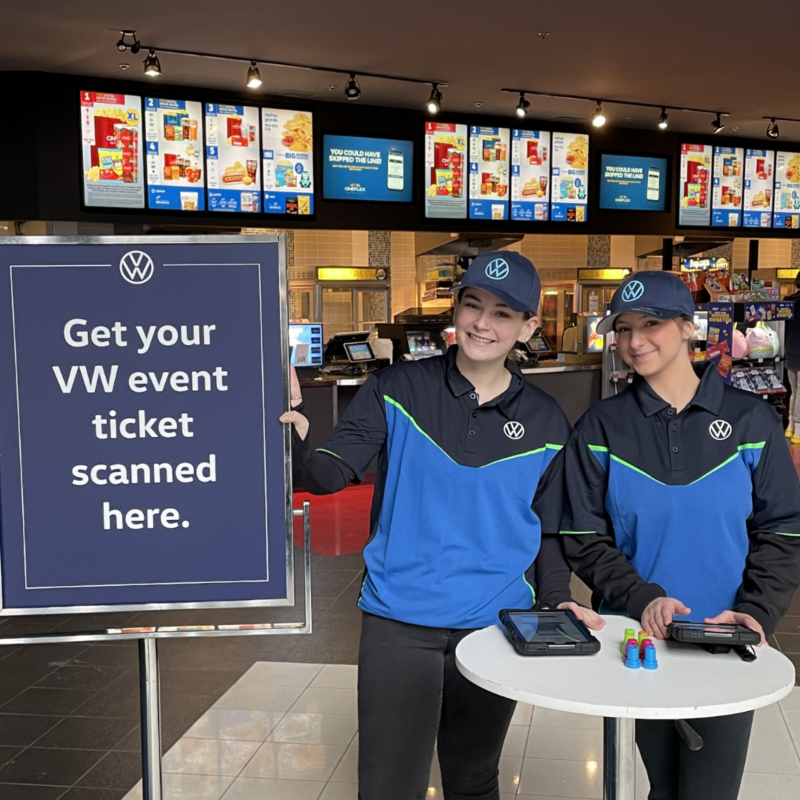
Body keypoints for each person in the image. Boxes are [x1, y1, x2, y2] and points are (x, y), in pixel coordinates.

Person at [281, 251, 603, 800]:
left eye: (503, 314)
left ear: (528, 327)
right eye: (473, 305)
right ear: (455, 310)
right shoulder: (397, 389)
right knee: (388, 784)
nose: (482, 323)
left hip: (494, 622)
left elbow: (547, 529)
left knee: (474, 776)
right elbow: (327, 474)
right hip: (398, 617)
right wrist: (290, 426)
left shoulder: (548, 421)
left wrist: (555, 601)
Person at [560, 270, 800, 800]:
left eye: (651, 324)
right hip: (636, 643)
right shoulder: (601, 428)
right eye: (622, 329)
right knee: (662, 786)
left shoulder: (751, 423)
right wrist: (643, 598)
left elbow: (783, 530)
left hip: (727, 640)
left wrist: (756, 613)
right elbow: (582, 535)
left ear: (689, 328)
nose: (633, 341)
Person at [783, 275, 800, 442]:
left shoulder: (788, 302)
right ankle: (798, 431)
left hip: (790, 351)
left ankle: (790, 426)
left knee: (794, 392)